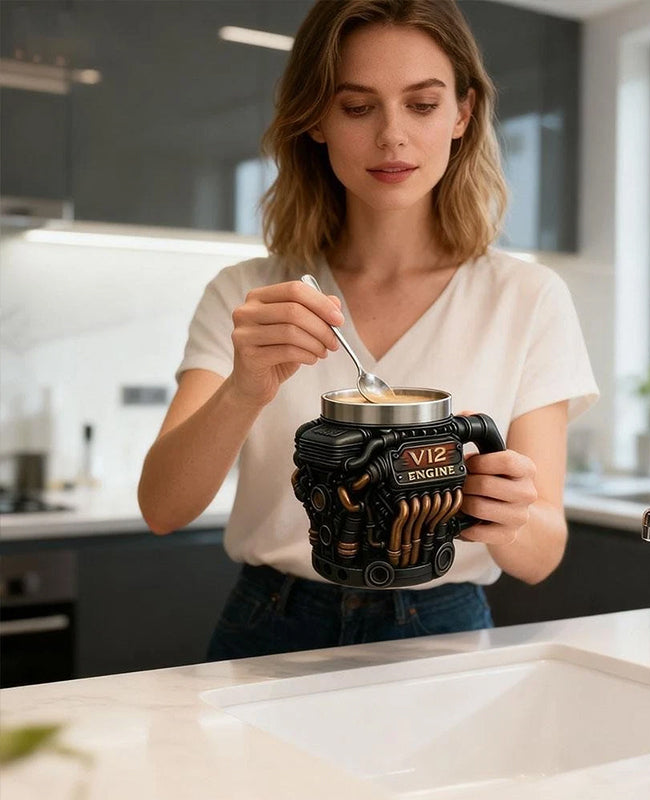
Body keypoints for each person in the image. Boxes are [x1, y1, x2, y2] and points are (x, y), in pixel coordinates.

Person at [138, 0, 598, 661]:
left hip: (444, 630)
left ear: (462, 114)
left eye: (422, 104)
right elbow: (162, 508)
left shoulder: (527, 298)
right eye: (357, 107)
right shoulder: (247, 294)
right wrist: (244, 389)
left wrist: (500, 511)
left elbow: (540, 555)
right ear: (317, 119)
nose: (392, 137)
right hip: (272, 626)